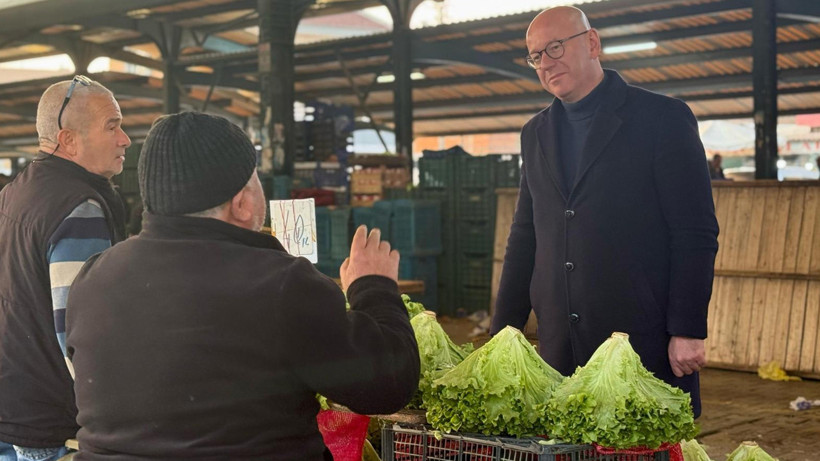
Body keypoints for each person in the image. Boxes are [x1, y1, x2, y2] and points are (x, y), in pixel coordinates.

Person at [65, 112, 420, 460]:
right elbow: (388, 386)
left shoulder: (92, 278)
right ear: (242, 202)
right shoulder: (280, 283)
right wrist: (373, 285)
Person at [491, 6, 719, 418]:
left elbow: (695, 233)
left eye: (555, 47)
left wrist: (687, 329)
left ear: (592, 43)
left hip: (639, 340)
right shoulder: (534, 134)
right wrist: (501, 335)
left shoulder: (662, 119)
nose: (546, 63)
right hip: (559, 345)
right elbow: (525, 237)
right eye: (536, 56)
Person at [0, 76, 130, 461]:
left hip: (13, 405)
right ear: (69, 140)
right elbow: (80, 331)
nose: (124, 139)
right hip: (48, 424)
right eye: (112, 126)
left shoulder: (14, 192)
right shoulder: (79, 209)